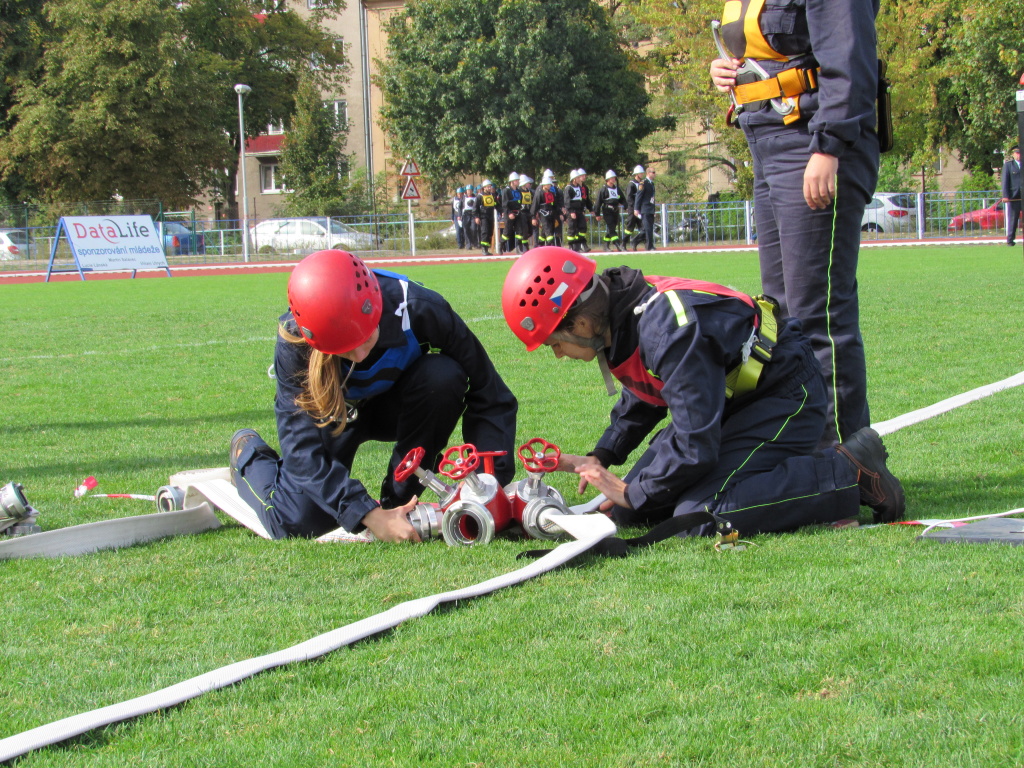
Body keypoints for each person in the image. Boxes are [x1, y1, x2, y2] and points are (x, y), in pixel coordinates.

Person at [501, 247, 904, 537]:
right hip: (734, 400)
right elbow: (647, 389)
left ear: (580, 324)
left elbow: (696, 444)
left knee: (698, 514)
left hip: (785, 395)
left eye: (554, 342)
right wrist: (603, 455)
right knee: (634, 513)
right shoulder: (626, 316)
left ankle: (846, 472)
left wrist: (632, 489)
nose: (557, 355)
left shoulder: (666, 327)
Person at [230, 249, 518, 542]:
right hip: (333, 418)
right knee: (297, 522)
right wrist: (366, 513)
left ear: (376, 306)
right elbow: (301, 449)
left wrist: (487, 482)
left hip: (394, 409)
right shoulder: (295, 340)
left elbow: (490, 393)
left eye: (366, 338)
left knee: (444, 375)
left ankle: (398, 493)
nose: (359, 354)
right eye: (343, 349)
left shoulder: (419, 307)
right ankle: (248, 452)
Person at [709, 0, 880, 448]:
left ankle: (849, 467)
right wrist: (728, 73)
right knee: (784, 320)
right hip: (766, 142)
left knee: (818, 314)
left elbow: (849, 59)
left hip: (811, 143)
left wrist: (829, 147)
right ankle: (806, 455)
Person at [595, 169, 626, 251]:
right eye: (612, 178)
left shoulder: (617, 189)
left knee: (611, 228)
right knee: (612, 228)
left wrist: (627, 207)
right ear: (608, 179)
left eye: (614, 178)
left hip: (615, 211)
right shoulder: (603, 189)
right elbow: (598, 202)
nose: (613, 179)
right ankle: (618, 244)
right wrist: (597, 214)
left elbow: (622, 199)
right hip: (607, 211)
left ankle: (606, 245)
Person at [563, 168, 593, 252]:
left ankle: (578, 244)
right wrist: (571, 211)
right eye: (578, 177)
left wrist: (586, 209)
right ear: (574, 178)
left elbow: (583, 200)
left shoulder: (580, 188)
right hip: (572, 212)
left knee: (582, 227)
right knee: (572, 229)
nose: (580, 179)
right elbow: (567, 201)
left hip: (579, 211)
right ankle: (571, 245)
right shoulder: (568, 188)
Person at [531, 172, 561, 246]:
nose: (550, 186)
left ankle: (540, 244)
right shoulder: (539, 193)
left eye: (550, 184)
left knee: (545, 232)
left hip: (551, 214)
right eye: (548, 184)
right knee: (548, 231)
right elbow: (535, 205)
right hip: (543, 214)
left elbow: (555, 205)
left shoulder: (551, 193)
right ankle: (551, 245)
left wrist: (559, 213)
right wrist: (533, 217)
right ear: (544, 185)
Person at [1001, 145, 1021, 247]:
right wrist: (1005, 195)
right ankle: (1010, 240)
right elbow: (1005, 181)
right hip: (1014, 197)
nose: (1019, 155)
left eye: (1020, 153)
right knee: (1013, 219)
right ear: (1013, 154)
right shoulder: (1009, 165)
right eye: (1017, 153)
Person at [633, 167, 656, 251]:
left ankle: (637, 241)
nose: (654, 174)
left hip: (650, 209)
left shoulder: (651, 184)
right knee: (647, 228)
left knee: (649, 228)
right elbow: (639, 196)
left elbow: (652, 198)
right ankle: (649, 246)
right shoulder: (643, 183)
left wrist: (654, 210)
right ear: (648, 173)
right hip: (645, 209)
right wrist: (636, 209)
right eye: (653, 172)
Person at [474, 180, 500, 256]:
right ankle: (484, 249)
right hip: (483, 216)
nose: (489, 188)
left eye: (490, 186)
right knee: (484, 232)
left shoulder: (492, 196)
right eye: (488, 187)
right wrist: (476, 217)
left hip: (491, 216)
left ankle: (487, 248)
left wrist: (502, 211)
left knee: (490, 232)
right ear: (484, 188)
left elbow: (497, 205)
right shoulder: (480, 196)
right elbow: (475, 208)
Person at [500, 172, 523, 254]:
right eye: (517, 180)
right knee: (507, 231)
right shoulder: (506, 191)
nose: (518, 182)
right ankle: (501, 245)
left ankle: (519, 248)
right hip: (509, 214)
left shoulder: (519, 191)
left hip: (518, 213)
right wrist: (509, 213)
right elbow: (505, 204)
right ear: (512, 181)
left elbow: (520, 202)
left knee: (520, 231)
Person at [623, 165, 645, 251]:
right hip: (633, 209)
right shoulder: (631, 184)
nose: (642, 174)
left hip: (640, 209)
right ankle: (623, 244)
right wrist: (634, 208)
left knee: (643, 228)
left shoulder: (642, 183)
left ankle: (636, 242)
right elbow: (629, 198)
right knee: (629, 228)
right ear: (636, 174)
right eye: (640, 173)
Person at [517, 175, 535, 251]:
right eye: (527, 183)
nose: (529, 184)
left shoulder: (531, 192)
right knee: (524, 230)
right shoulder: (519, 192)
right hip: (522, 213)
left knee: (530, 231)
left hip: (529, 213)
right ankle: (523, 246)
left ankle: (523, 244)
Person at [461, 184, 479, 250]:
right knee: (466, 229)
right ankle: (468, 244)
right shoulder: (463, 197)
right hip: (466, 214)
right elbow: (460, 207)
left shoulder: (476, 197)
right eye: (468, 190)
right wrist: (460, 216)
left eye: (470, 190)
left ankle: (475, 243)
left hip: (473, 214)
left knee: (474, 229)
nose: (469, 192)